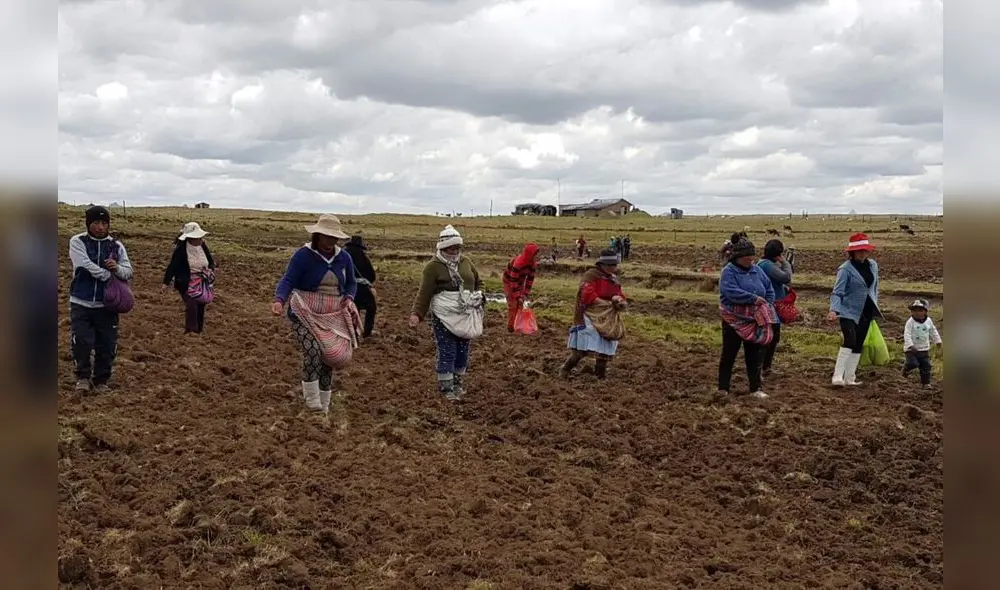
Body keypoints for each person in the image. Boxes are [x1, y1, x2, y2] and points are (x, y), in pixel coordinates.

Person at [272, 215, 360, 414]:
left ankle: (324, 401)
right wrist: (279, 300)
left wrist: (349, 296)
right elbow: (288, 280)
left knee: (329, 355)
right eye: (327, 236)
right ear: (318, 235)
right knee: (312, 351)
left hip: (331, 312)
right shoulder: (303, 255)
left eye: (334, 237)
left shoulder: (344, 257)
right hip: (305, 311)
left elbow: (351, 283)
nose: (330, 241)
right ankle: (312, 401)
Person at [409, 225, 484, 401]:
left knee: (463, 349)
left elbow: (479, 282)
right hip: (443, 314)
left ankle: (458, 383)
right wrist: (417, 314)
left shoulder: (466, 262)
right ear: (442, 247)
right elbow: (424, 293)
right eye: (451, 248)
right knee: (447, 349)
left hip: (465, 312)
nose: (455, 251)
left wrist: (479, 295)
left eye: (457, 247)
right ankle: (446, 388)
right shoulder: (432, 267)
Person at [68, 205, 134, 393]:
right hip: (81, 300)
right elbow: (84, 265)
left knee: (107, 344)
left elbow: (128, 271)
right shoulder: (78, 241)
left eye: (104, 223)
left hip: (107, 305)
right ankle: (82, 377)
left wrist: (116, 269)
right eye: (96, 222)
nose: (100, 227)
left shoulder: (116, 245)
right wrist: (108, 276)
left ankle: (101, 380)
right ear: (88, 224)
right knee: (81, 340)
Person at [718, 233, 776, 399]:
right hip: (734, 319)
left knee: (754, 355)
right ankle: (723, 388)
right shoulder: (728, 272)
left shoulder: (757, 270)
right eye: (748, 258)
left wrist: (767, 304)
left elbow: (769, 288)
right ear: (738, 257)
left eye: (752, 257)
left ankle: (755, 388)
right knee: (729, 354)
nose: (751, 260)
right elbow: (730, 292)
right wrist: (753, 299)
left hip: (755, 319)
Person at [560, 249, 628, 379]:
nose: (613, 268)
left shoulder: (613, 279)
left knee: (606, 344)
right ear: (602, 264)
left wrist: (617, 299)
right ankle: (565, 369)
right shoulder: (591, 275)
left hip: (607, 317)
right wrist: (602, 303)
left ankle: (599, 375)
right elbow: (586, 293)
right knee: (582, 348)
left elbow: (619, 293)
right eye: (610, 265)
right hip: (589, 314)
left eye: (614, 265)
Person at [828, 232, 882, 387]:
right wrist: (834, 310)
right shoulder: (845, 269)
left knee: (859, 344)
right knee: (850, 340)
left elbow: (875, 287)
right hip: (848, 311)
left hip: (866, 311)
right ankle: (837, 376)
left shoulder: (873, 266)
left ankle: (850, 378)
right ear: (852, 252)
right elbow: (838, 292)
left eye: (865, 250)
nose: (863, 254)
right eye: (859, 251)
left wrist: (875, 304)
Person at [162, 222, 216, 335]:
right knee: (192, 304)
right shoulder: (181, 250)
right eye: (198, 237)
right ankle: (190, 331)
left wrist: (209, 271)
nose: (200, 239)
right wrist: (165, 283)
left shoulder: (203, 246)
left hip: (202, 282)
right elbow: (172, 266)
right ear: (190, 238)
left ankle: (198, 330)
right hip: (186, 282)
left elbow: (211, 262)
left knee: (201, 305)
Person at [756, 239, 793, 376]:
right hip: (770, 305)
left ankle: (765, 367)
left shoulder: (763, 264)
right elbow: (786, 277)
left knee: (771, 337)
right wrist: (785, 263)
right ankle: (764, 367)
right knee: (771, 336)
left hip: (770, 304)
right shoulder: (768, 265)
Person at [903, 299, 942, 388]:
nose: (917, 313)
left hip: (924, 349)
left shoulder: (928, 321)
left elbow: (933, 331)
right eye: (914, 310)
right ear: (911, 312)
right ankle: (905, 370)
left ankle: (926, 383)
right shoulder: (910, 322)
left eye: (920, 310)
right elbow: (907, 334)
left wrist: (938, 341)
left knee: (926, 367)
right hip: (911, 350)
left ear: (925, 311)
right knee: (913, 364)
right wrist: (911, 345)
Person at [344, 235, 378, 338]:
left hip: (348, 288)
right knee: (371, 308)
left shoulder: (344, 256)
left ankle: (352, 332)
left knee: (354, 309)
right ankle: (367, 332)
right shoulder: (363, 257)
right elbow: (372, 275)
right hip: (363, 287)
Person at [502, 243, 539, 332]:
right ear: (530, 254)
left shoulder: (532, 265)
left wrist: (525, 294)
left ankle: (518, 325)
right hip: (509, 281)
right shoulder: (518, 263)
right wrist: (518, 296)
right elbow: (513, 281)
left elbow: (530, 280)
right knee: (513, 304)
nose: (536, 257)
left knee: (520, 304)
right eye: (534, 254)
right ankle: (511, 327)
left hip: (520, 282)